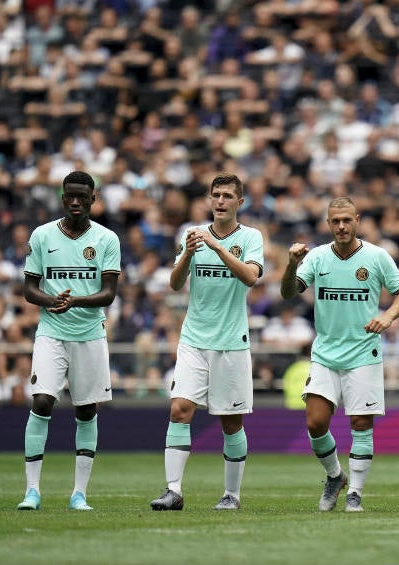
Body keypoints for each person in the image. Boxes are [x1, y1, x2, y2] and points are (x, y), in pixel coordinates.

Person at [280, 197, 399, 512]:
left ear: (357, 220)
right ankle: (334, 475)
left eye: (346, 220)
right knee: (315, 423)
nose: (341, 226)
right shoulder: (316, 258)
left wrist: (388, 316)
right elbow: (288, 293)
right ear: (328, 223)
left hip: (363, 353)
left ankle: (355, 492)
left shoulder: (376, 256)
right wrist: (290, 265)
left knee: (360, 422)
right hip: (325, 354)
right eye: (335, 221)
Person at [149, 173, 264, 512]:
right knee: (178, 409)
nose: (220, 201)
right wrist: (187, 252)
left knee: (231, 421)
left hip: (231, 341)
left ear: (240, 202)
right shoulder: (193, 234)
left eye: (228, 196)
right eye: (216, 195)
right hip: (194, 338)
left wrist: (217, 247)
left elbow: (251, 277)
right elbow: (174, 283)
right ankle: (173, 491)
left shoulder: (251, 237)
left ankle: (232, 495)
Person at [16, 171, 121, 511]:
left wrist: (73, 301)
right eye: (69, 196)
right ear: (62, 198)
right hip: (51, 334)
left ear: (93, 199)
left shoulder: (107, 239)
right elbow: (29, 289)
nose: (75, 201)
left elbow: (108, 294)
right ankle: (32, 491)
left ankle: (79, 493)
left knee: (86, 409)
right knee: (42, 401)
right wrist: (52, 302)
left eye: (82, 196)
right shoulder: (43, 236)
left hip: (89, 335)